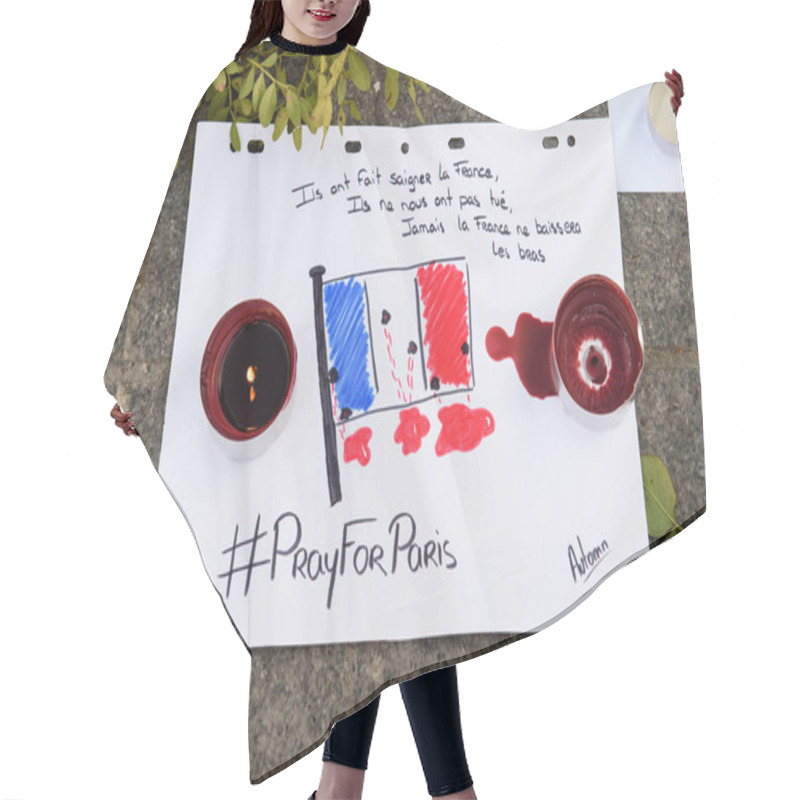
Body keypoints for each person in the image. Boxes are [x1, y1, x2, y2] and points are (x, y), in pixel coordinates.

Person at [111, 2, 685, 798]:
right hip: (290, 386)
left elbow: (497, 168)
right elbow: (194, 244)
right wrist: (151, 379)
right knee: (377, 587)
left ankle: (350, 789)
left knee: (404, 583)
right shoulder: (238, 92)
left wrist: (625, 133)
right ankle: (429, 791)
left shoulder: (380, 91)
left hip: (386, 362)